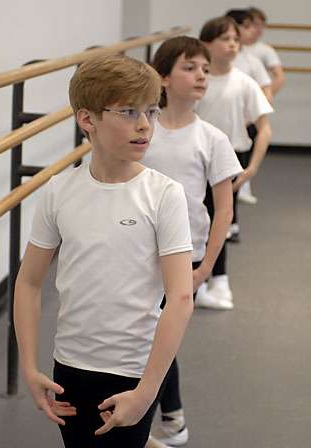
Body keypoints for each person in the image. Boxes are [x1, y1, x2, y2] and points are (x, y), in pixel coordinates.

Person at [13, 54, 195, 448]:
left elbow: (180, 298)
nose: (145, 124)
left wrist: (147, 393)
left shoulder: (164, 194)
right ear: (87, 120)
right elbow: (28, 281)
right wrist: (29, 367)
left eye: (151, 111)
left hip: (133, 369)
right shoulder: (59, 191)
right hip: (71, 366)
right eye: (128, 112)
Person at [142, 36, 242, 447]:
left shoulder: (212, 139)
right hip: (136, 251)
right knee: (147, 335)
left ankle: (167, 420)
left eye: (204, 68)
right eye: (189, 67)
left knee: (156, 336)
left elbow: (224, 210)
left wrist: (206, 268)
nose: (201, 75)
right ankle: (172, 418)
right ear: (163, 77)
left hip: (184, 257)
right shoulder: (142, 129)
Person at [195, 16, 273, 308]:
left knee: (220, 219)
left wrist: (251, 168)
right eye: (225, 39)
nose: (231, 45)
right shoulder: (197, 82)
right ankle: (200, 279)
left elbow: (264, 129)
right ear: (206, 44)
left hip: (232, 160)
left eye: (235, 40)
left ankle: (218, 279)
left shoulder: (245, 83)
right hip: (196, 157)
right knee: (196, 219)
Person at [225, 8, 273, 212]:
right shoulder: (207, 65)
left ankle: (231, 221)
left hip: (243, 127)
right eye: (247, 26)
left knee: (234, 176)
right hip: (218, 129)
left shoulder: (251, 62)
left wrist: (254, 113)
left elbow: (267, 90)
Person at [247, 6, 285, 96]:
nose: (259, 29)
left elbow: (280, 77)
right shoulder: (233, 48)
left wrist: (264, 96)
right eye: (255, 24)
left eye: (262, 25)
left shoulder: (266, 50)